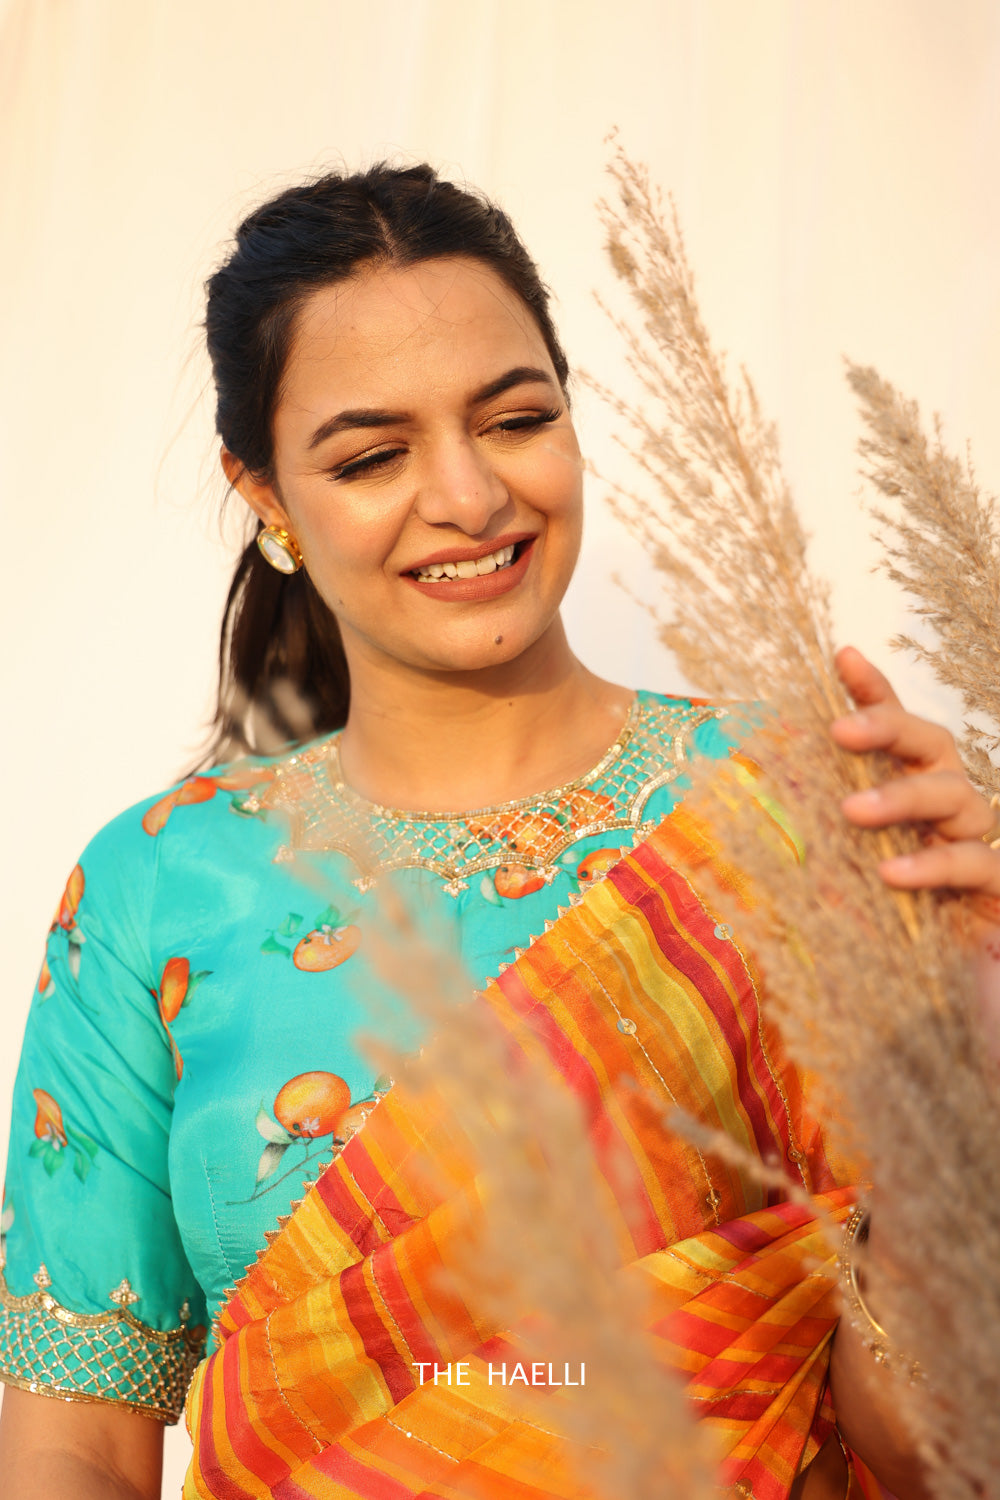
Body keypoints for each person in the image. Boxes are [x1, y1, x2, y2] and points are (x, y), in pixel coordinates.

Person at [0, 163, 997, 1500]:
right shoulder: (159, 891)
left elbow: (926, 1442)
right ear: (269, 498)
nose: (468, 498)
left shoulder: (792, 814)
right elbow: (75, 1445)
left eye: (515, 419)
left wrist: (978, 1002)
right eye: (370, 456)